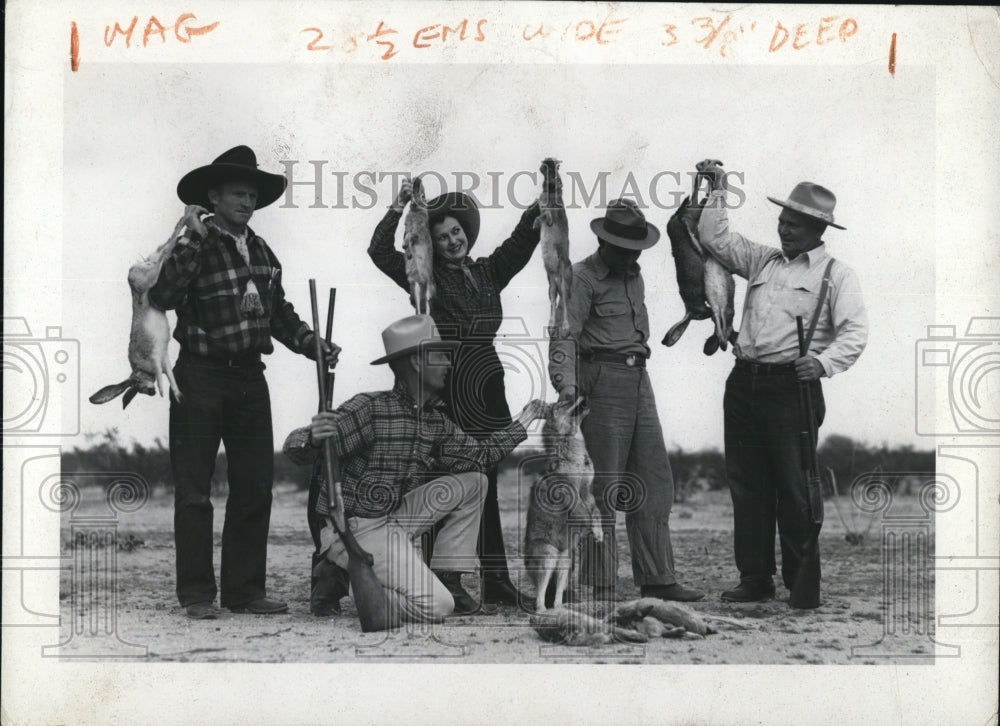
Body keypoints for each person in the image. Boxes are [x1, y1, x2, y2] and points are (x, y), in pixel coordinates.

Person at [149, 145, 338, 620]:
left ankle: (244, 592)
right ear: (214, 197)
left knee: (254, 487)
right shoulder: (194, 242)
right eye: (238, 193)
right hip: (198, 377)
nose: (247, 202)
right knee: (194, 490)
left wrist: (312, 342)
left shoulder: (261, 250)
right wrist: (190, 240)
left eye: (252, 195)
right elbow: (163, 294)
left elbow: (279, 313)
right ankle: (195, 595)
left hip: (251, 379)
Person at [284, 315, 546, 623]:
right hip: (354, 529)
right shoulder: (370, 409)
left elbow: (481, 455)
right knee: (438, 607)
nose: (449, 363)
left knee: (476, 481)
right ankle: (349, 568)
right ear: (418, 363)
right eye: (440, 355)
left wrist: (523, 423)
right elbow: (294, 448)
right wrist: (312, 439)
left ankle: (447, 576)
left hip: (393, 519)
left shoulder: (434, 419)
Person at [694, 160, 868, 608]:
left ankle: (802, 584)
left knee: (795, 488)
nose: (785, 230)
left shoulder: (837, 275)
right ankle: (755, 579)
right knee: (747, 486)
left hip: (793, 388)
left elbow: (855, 333)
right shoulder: (761, 260)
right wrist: (719, 189)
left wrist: (823, 365)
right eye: (782, 221)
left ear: (816, 228)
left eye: (794, 224)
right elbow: (715, 239)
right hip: (744, 382)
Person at [365, 177, 542, 607]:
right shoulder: (421, 275)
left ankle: (497, 582)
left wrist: (543, 204)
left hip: (489, 383)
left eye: (456, 232)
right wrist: (400, 207)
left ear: (466, 232)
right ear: (431, 243)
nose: (451, 241)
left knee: (488, 480)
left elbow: (520, 243)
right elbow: (379, 252)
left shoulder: (487, 273)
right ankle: (444, 581)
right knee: (449, 478)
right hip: (445, 382)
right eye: (441, 236)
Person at [548, 198, 705, 603]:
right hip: (598, 381)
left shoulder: (634, 277)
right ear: (604, 242)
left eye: (634, 247)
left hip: (639, 379)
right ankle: (600, 586)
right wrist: (566, 386)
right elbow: (564, 333)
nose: (629, 255)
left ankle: (658, 578)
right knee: (603, 487)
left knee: (654, 482)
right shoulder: (581, 277)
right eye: (620, 246)